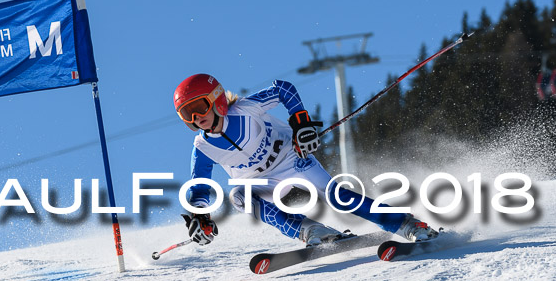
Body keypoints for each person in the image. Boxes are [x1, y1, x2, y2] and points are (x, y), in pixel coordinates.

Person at [173, 73, 438, 246]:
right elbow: (198, 187)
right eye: (187, 114)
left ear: (217, 100)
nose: (196, 118)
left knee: (336, 197)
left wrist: (301, 123)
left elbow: (283, 89)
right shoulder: (203, 146)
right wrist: (200, 215)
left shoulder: (245, 109)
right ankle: (311, 231)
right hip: (259, 181)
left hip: (291, 157)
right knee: (240, 198)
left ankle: (405, 223)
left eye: (199, 108)